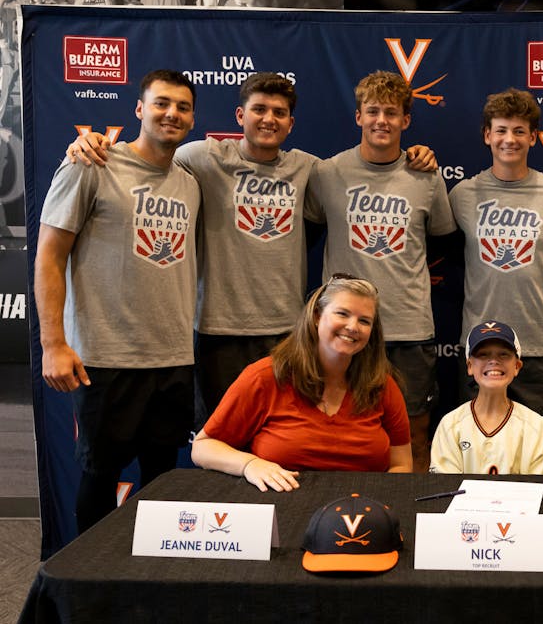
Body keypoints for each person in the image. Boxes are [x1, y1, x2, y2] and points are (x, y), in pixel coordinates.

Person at [65, 72, 439, 420]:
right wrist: (94, 143)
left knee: (286, 434)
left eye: (279, 113)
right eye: (259, 109)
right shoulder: (202, 157)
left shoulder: (312, 169)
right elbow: (149, 154)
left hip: (287, 331)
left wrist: (418, 154)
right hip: (219, 331)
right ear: (240, 115)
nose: (268, 119)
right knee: (223, 436)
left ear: (291, 124)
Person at [35, 69, 200, 533]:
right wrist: (53, 344)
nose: (172, 113)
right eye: (162, 103)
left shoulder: (189, 182)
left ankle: (149, 582)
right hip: (107, 359)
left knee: (162, 480)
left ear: (193, 119)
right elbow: (49, 256)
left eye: (183, 107)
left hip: (172, 358)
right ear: (139, 109)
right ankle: (88, 586)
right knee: (99, 476)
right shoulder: (91, 164)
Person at [308, 70, 455, 473]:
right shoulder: (326, 174)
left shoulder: (425, 175)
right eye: (372, 111)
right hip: (343, 330)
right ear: (358, 117)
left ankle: (410, 523)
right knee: (337, 434)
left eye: (391, 113)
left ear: (406, 121)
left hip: (407, 329)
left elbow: (443, 236)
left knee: (414, 437)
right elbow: (307, 226)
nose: (381, 121)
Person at [191, 275, 413, 491]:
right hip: (283, 508)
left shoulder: (381, 384)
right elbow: (203, 447)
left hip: (361, 512)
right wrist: (249, 465)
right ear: (317, 316)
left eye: (364, 321)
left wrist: (382, 500)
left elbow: (401, 465)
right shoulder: (266, 376)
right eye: (342, 314)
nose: (353, 326)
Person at [449, 87, 543, 420]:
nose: (509, 139)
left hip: (540, 343)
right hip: (481, 346)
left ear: (533, 137)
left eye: (519, 131)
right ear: (487, 135)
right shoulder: (462, 195)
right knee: (479, 452)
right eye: (501, 130)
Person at [430, 320, 543, 475]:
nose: (494, 361)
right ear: (469, 366)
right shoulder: (450, 425)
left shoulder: (533, 425)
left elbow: (538, 490)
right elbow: (445, 489)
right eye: (483, 354)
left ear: (517, 366)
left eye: (503, 354)